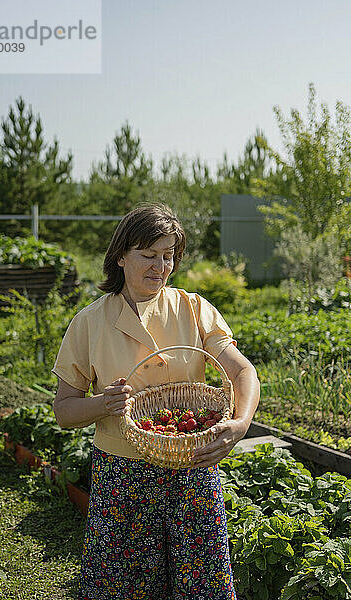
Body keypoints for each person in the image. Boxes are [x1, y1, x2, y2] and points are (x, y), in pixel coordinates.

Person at [52, 203, 260, 600]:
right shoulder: (90, 322)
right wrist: (103, 404)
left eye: (168, 257)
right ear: (120, 256)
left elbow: (242, 372)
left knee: (202, 583)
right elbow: (64, 411)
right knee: (124, 585)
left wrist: (240, 423)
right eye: (148, 255)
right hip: (122, 476)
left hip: (192, 471)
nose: (159, 267)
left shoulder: (193, 308)